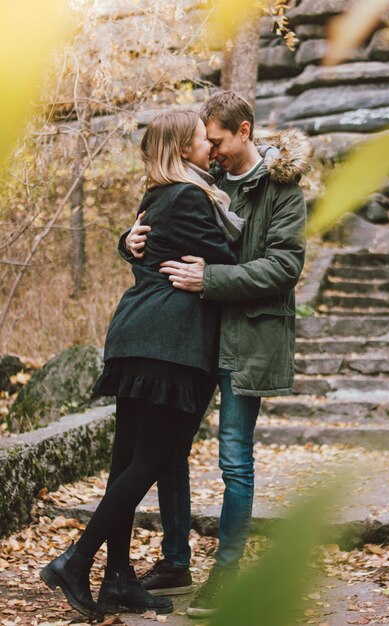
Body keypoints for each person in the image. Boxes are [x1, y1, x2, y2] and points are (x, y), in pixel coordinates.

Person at [39, 109, 238, 622]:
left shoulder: (159, 193)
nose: (207, 147)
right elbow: (233, 261)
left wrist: (125, 242)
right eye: (200, 139)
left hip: (136, 333)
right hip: (168, 340)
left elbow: (152, 245)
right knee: (153, 458)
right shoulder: (190, 196)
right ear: (181, 148)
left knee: (126, 463)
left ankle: (118, 579)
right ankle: (76, 560)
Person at [122, 91, 310, 618]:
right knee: (168, 450)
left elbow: (284, 266)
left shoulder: (282, 187)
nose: (212, 150)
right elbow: (163, 225)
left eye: (219, 140)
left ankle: (225, 573)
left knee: (234, 459)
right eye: (207, 142)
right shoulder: (205, 178)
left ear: (245, 131)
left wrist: (212, 279)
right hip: (190, 341)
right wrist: (128, 239)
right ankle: (175, 561)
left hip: (245, 340)